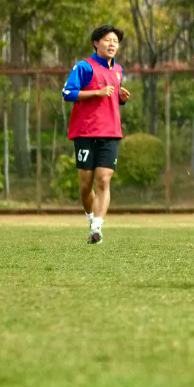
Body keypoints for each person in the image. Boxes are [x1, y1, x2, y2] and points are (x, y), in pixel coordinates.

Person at [63, 25, 130, 245]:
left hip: (110, 132)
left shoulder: (118, 70)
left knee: (104, 180)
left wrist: (121, 98)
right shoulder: (84, 67)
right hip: (84, 132)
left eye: (115, 41)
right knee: (86, 184)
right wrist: (97, 93)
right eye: (107, 40)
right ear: (96, 43)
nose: (112, 44)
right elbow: (68, 93)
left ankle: (97, 227)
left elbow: (111, 96)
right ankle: (90, 218)